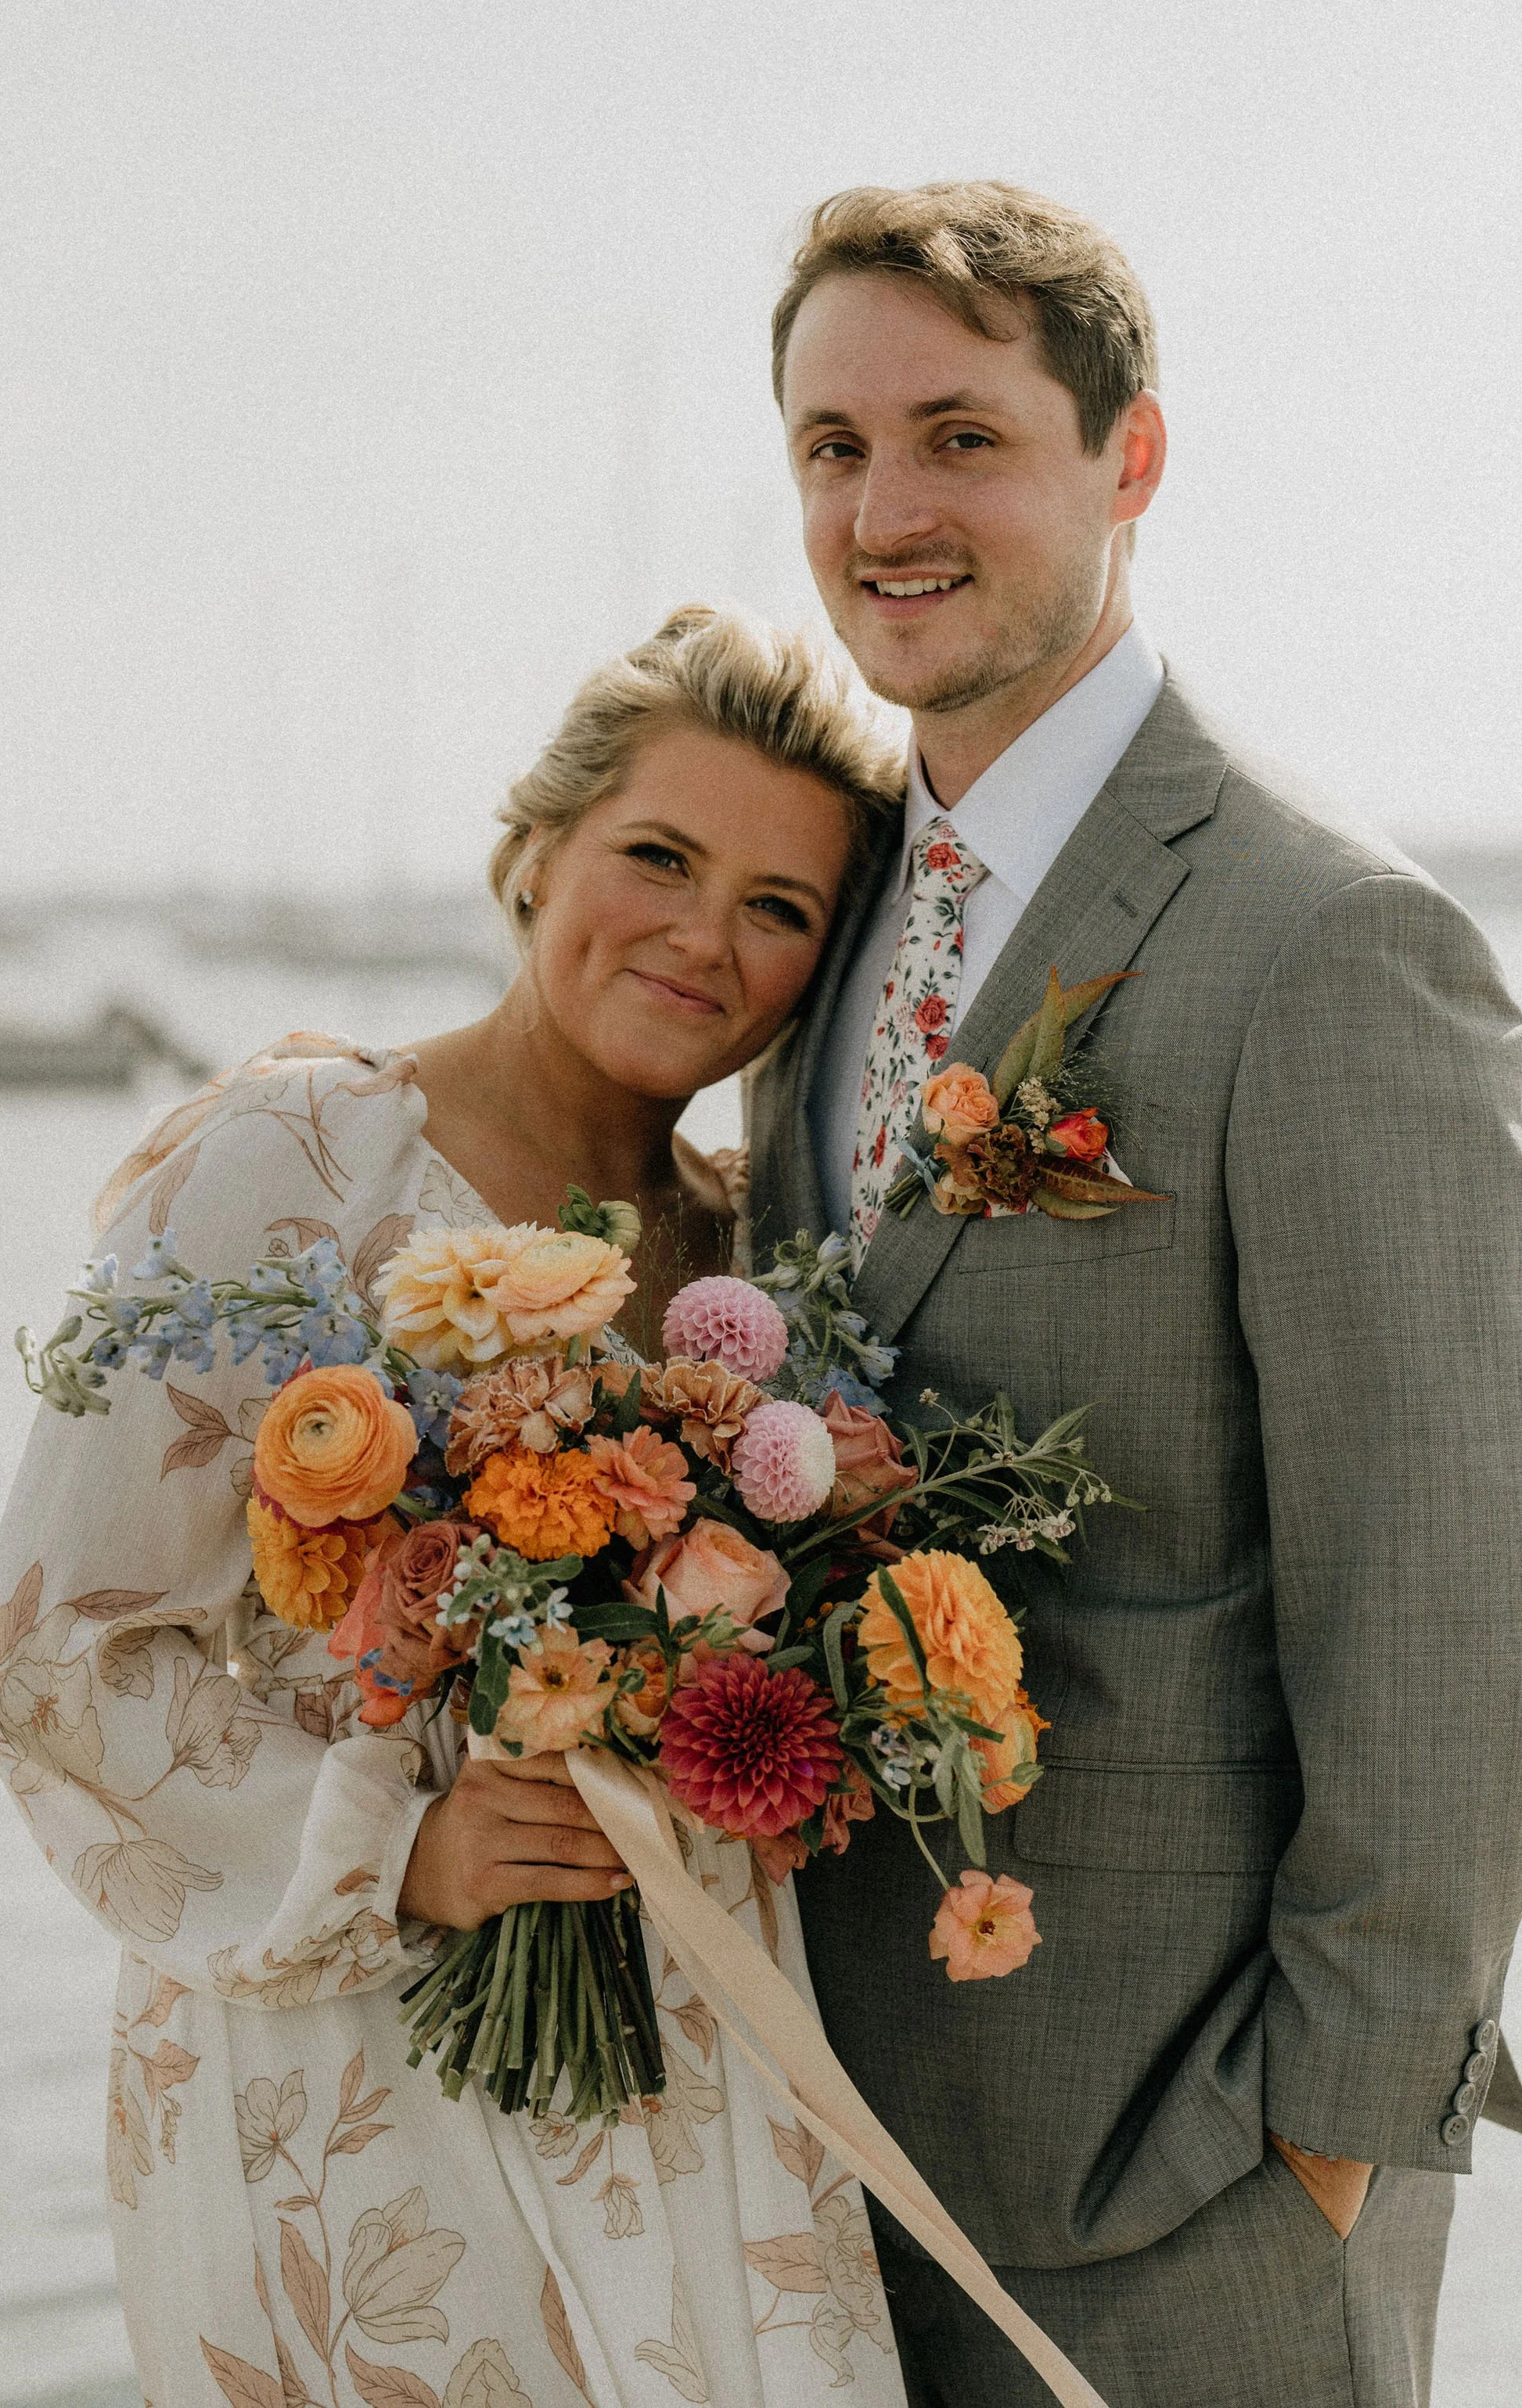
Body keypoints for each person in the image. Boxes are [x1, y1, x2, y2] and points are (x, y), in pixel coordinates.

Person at [749, 179, 1522, 2408]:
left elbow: (1450, 1588)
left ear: (1131, 463)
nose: (885, 506)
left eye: (961, 435)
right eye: (830, 446)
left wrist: (1327, 2138)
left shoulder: (1329, 944)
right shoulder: (846, 912)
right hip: (834, 2166)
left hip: (1189, 2184)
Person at [0, 606, 911, 2408]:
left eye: (779, 908)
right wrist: (393, 1849)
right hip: (352, 2049)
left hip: (690, 2064)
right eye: (659, 856)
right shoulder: (290, 1163)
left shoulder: (755, 1273)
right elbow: (51, 1654)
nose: (704, 937)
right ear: (537, 848)